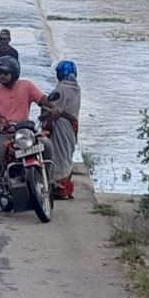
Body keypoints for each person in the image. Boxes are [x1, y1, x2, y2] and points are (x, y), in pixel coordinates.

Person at [0, 56, 57, 218]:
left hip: (24, 131)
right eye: (0, 73)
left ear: (14, 73)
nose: (2, 76)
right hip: (3, 133)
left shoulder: (26, 86)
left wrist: (54, 107)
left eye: (6, 73)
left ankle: (47, 180)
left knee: (46, 145)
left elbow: (42, 99)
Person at [45, 61, 81, 199]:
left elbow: (51, 107)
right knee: (66, 155)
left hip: (61, 126)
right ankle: (64, 187)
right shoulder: (77, 88)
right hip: (72, 126)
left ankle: (59, 187)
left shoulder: (61, 90)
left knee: (58, 156)